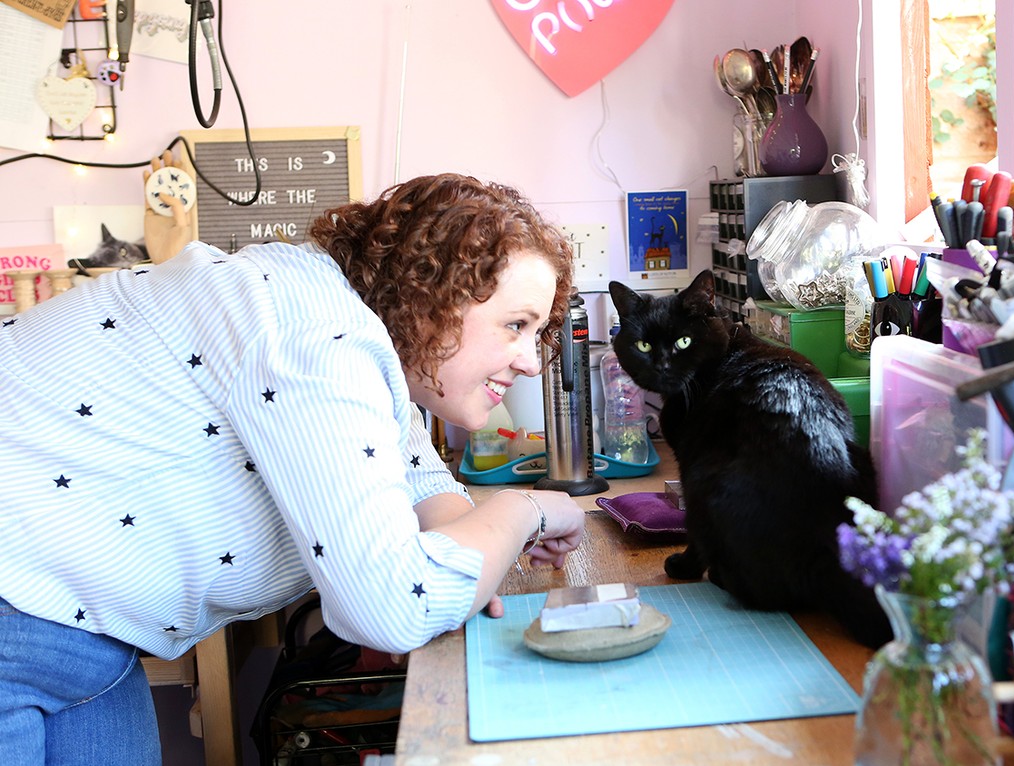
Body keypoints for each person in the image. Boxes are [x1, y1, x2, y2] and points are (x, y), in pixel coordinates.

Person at [0, 170, 587, 764]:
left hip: (79, 633)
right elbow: (393, 608)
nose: (530, 362)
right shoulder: (315, 336)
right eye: (517, 325)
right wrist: (524, 511)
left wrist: (472, 563)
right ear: (432, 295)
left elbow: (421, 482)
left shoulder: (353, 333)